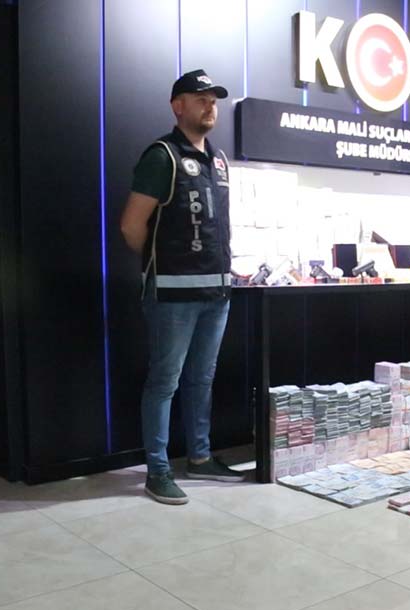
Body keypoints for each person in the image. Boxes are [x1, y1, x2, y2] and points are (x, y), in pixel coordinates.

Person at [119, 69, 245, 505]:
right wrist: (165, 263)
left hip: (217, 293)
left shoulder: (219, 160)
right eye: (200, 98)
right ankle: (157, 470)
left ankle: (200, 457)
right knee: (164, 381)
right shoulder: (162, 156)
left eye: (214, 100)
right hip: (173, 294)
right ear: (178, 106)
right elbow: (132, 226)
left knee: (202, 379)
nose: (210, 106)